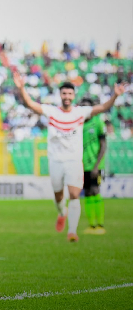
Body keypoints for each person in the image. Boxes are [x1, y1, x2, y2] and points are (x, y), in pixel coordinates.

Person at [13, 71, 127, 242]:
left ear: (74, 96)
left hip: (74, 161)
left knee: (74, 195)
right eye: (64, 93)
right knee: (59, 196)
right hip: (56, 161)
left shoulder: (80, 113)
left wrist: (115, 96)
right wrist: (22, 88)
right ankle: (62, 213)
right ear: (60, 95)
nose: (67, 96)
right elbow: (30, 104)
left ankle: (72, 231)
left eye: (69, 93)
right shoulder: (52, 111)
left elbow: (102, 108)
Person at [80, 97, 107, 235]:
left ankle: (100, 224)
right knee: (87, 193)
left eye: (87, 107)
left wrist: (97, 165)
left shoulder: (98, 123)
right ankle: (92, 225)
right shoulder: (78, 124)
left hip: (95, 165)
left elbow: (103, 145)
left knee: (95, 191)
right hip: (82, 166)